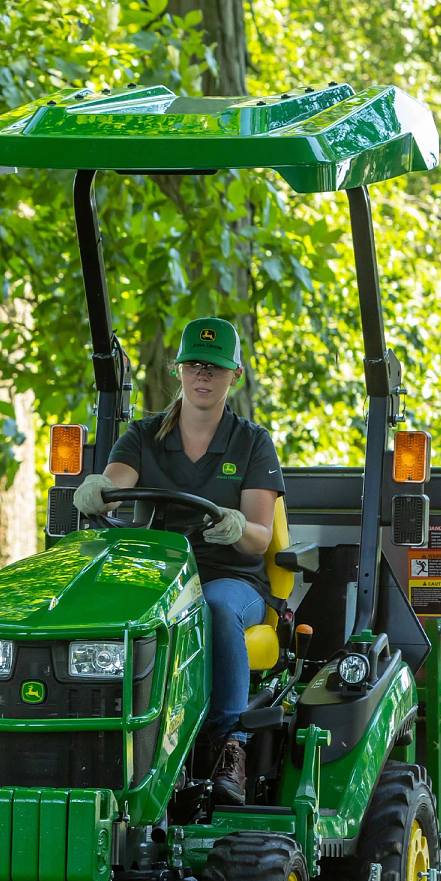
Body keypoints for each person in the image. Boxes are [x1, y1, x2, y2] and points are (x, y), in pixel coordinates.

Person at [72, 318, 284, 806]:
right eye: (193, 366)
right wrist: (97, 493)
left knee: (211, 609)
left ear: (235, 375)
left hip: (231, 579)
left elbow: (258, 538)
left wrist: (235, 526)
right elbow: (115, 484)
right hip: (159, 577)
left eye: (214, 368)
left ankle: (230, 745)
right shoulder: (144, 436)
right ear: (179, 371)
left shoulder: (252, 443)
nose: (202, 377)